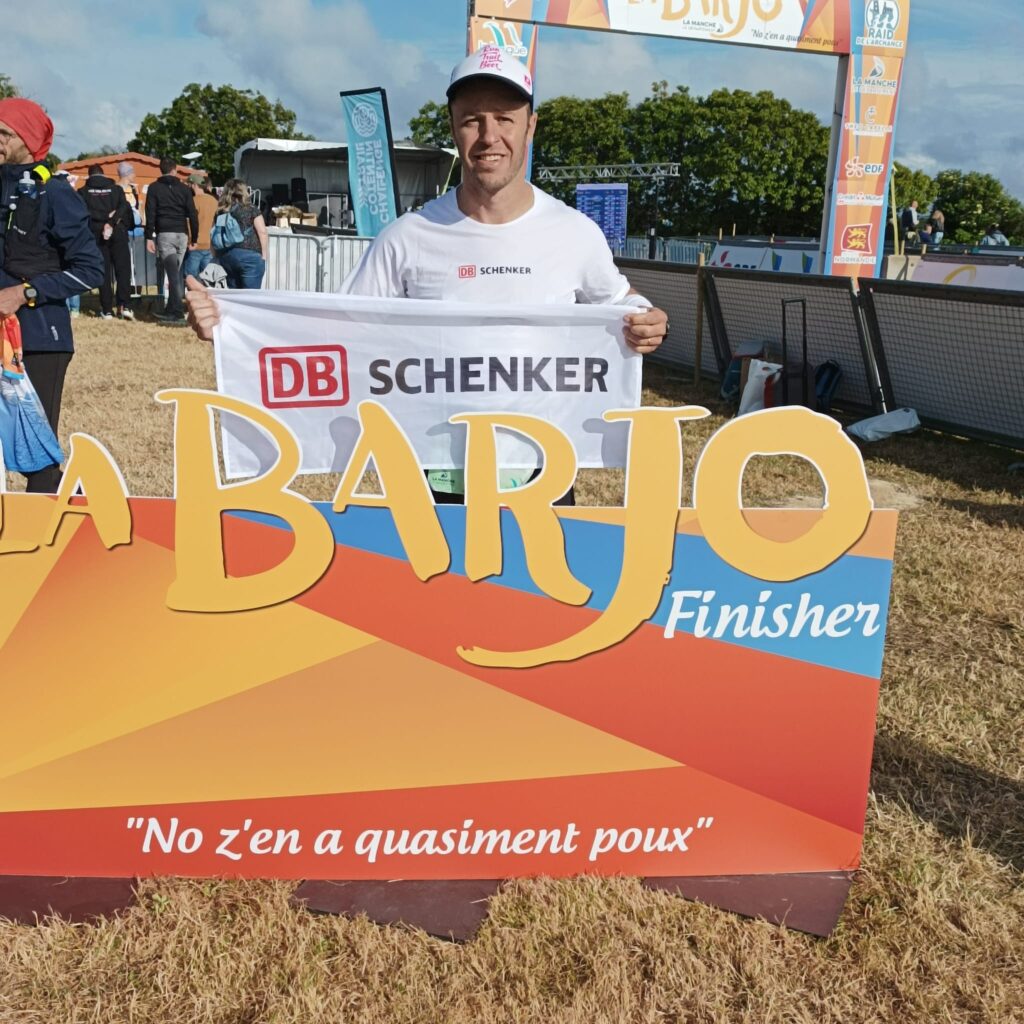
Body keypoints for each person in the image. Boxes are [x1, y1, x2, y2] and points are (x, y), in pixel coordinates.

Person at [186, 47, 667, 500]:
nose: (489, 136)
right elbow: (335, 332)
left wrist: (646, 318)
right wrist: (234, 326)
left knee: (543, 593)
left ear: (530, 126)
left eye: (504, 119)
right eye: (472, 121)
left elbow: (621, 301)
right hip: (434, 479)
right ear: (454, 129)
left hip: (546, 474)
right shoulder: (408, 236)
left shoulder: (573, 231)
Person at [0, 97, 103, 492]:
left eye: (5, 133)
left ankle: (74, 524)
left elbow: (90, 269)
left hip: (39, 339)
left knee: (34, 457)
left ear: (27, 138)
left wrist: (24, 293)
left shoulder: (56, 193)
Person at [79, 162, 135, 319]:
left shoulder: (83, 192)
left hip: (95, 233)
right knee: (123, 269)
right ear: (103, 174)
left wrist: (103, 221)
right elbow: (125, 207)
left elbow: (84, 212)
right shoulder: (116, 189)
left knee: (103, 271)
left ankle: (107, 309)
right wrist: (111, 220)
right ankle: (125, 306)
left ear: (90, 176)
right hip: (118, 231)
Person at [145, 156, 198, 321]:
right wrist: (194, 237)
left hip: (165, 234)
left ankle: (176, 312)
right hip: (182, 234)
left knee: (173, 276)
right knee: (175, 274)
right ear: (175, 170)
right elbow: (192, 214)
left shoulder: (154, 188)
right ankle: (172, 309)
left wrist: (149, 237)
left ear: (160, 170)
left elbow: (150, 213)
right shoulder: (184, 189)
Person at [213, 178, 268, 289]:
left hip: (227, 256)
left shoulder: (221, 211)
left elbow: (216, 234)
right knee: (251, 297)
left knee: (234, 296)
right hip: (250, 256)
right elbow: (262, 232)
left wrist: (215, 256)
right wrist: (264, 256)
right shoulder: (251, 209)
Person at [182, 173, 218, 283]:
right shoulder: (214, 201)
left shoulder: (192, 201)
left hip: (195, 245)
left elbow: (188, 223)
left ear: (194, 185)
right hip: (209, 245)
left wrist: (189, 242)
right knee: (209, 280)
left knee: (190, 280)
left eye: (189, 184)